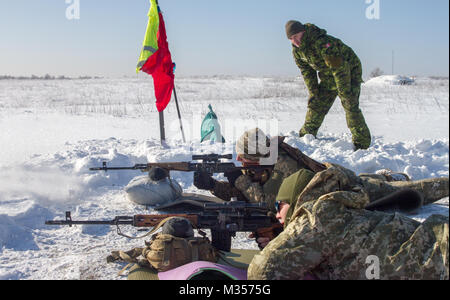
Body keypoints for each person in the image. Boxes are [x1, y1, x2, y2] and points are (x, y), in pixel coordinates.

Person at [247, 163, 449, 280]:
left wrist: (282, 242)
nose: (277, 215)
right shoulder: (335, 208)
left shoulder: (316, 215)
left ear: (294, 201)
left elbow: (262, 273)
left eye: (279, 205)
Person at [285, 20, 372, 150]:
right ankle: (306, 137)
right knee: (317, 102)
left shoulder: (322, 42)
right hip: (329, 73)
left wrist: (344, 91)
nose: (295, 41)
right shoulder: (297, 51)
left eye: (296, 36)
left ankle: (362, 144)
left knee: (349, 103)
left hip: (349, 69)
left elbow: (339, 68)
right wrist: (313, 91)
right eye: (291, 39)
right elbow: (307, 71)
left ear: (303, 32)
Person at [193, 128, 326, 212]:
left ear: (255, 159)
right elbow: (245, 196)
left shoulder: (284, 166)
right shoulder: (262, 161)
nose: (239, 159)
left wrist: (240, 180)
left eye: (243, 157)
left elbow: (267, 204)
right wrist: (213, 185)